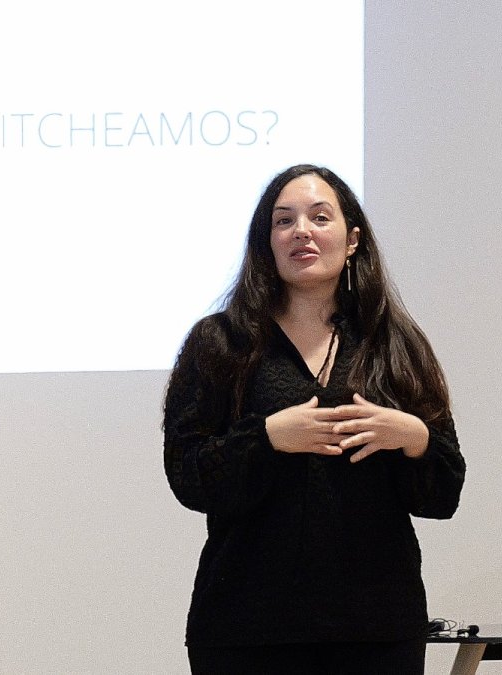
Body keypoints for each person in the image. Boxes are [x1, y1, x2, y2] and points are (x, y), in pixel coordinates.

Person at [163, 164, 465, 675]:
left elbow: (444, 495)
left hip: (376, 629)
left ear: (352, 240)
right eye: (284, 221)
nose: (301, 230)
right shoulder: (220, 343)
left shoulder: (393, 343)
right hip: (247, 629)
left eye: (319, 217)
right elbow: (188, 475)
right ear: (267, 243)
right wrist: (267, 439)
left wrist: (413, 436)